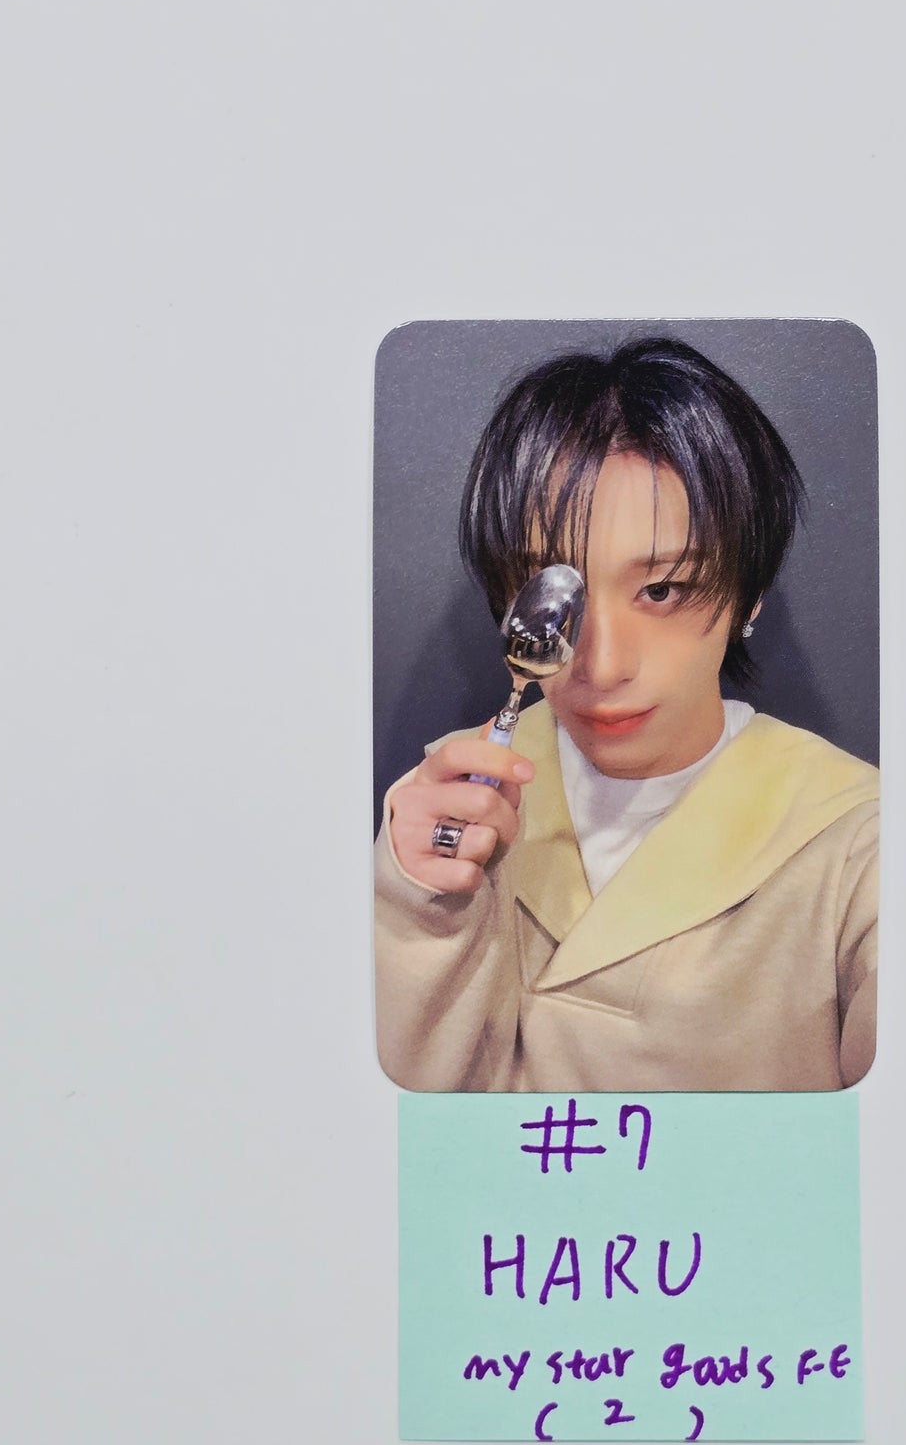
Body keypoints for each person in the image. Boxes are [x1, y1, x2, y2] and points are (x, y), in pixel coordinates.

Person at [374, 337, 879, 1092]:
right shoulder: (447, 801)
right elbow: (376, 1129)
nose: (601, 665)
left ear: (750, 594)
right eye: (556, 588)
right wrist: (416, 906)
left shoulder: (858, 839)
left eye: (663, 590)